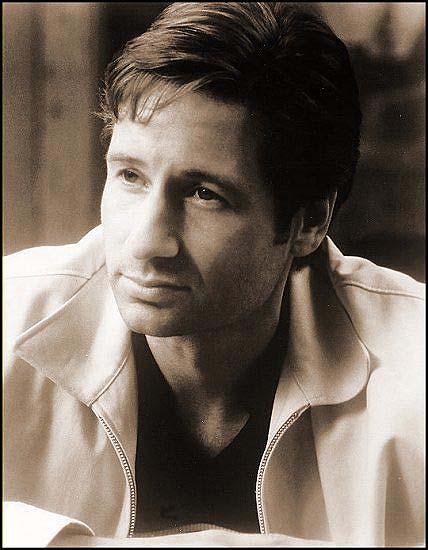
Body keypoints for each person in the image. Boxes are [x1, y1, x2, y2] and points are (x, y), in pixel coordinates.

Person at [4, 2, 424, 547]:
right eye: (130, 176)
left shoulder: (414, 362)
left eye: (205, 194)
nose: (146, 242)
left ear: (309, 222)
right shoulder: (11, 314)